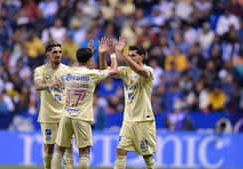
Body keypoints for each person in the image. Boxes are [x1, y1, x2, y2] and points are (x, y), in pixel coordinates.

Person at [51, 37, 119, 169]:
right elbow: (114, 71)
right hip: (82, 117)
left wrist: (88, 53)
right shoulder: (92, 74)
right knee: (84, 151)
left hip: (66, 115)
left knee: (59, 148)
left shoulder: (68, 72)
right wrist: (111, 54)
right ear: (90, 60)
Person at [99, 36, 157, 169]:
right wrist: (104, 55)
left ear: (142, 57)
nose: (130, 57)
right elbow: (105, 71)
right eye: (129, 55)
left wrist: (123, 54)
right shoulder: (126, 71)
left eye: (134, 55)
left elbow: (138, 70)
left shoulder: (148, 71)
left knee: (146, 155)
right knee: (120, 150)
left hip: (143, 120)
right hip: (128, 120)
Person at [33, 41, 73, 169]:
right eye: (54, 52)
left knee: (68, 145)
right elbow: (37, 86)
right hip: (48, 115)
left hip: (64, 114)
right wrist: (48, 85)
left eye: (60, 52)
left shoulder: (68, 70)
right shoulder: (40, 70)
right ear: (47, 54)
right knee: (49, 148)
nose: (58, 54)